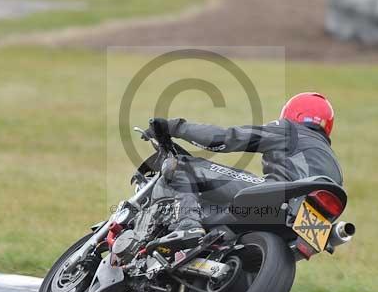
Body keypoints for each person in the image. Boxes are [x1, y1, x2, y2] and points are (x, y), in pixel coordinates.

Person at [146, 92, 343, 252]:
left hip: (278, 197)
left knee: (182, 166)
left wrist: (174, 127)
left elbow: (223, 139)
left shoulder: (289, 130)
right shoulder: (335, 163)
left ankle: (188, 226)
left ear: (293, 115)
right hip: (293, 223)